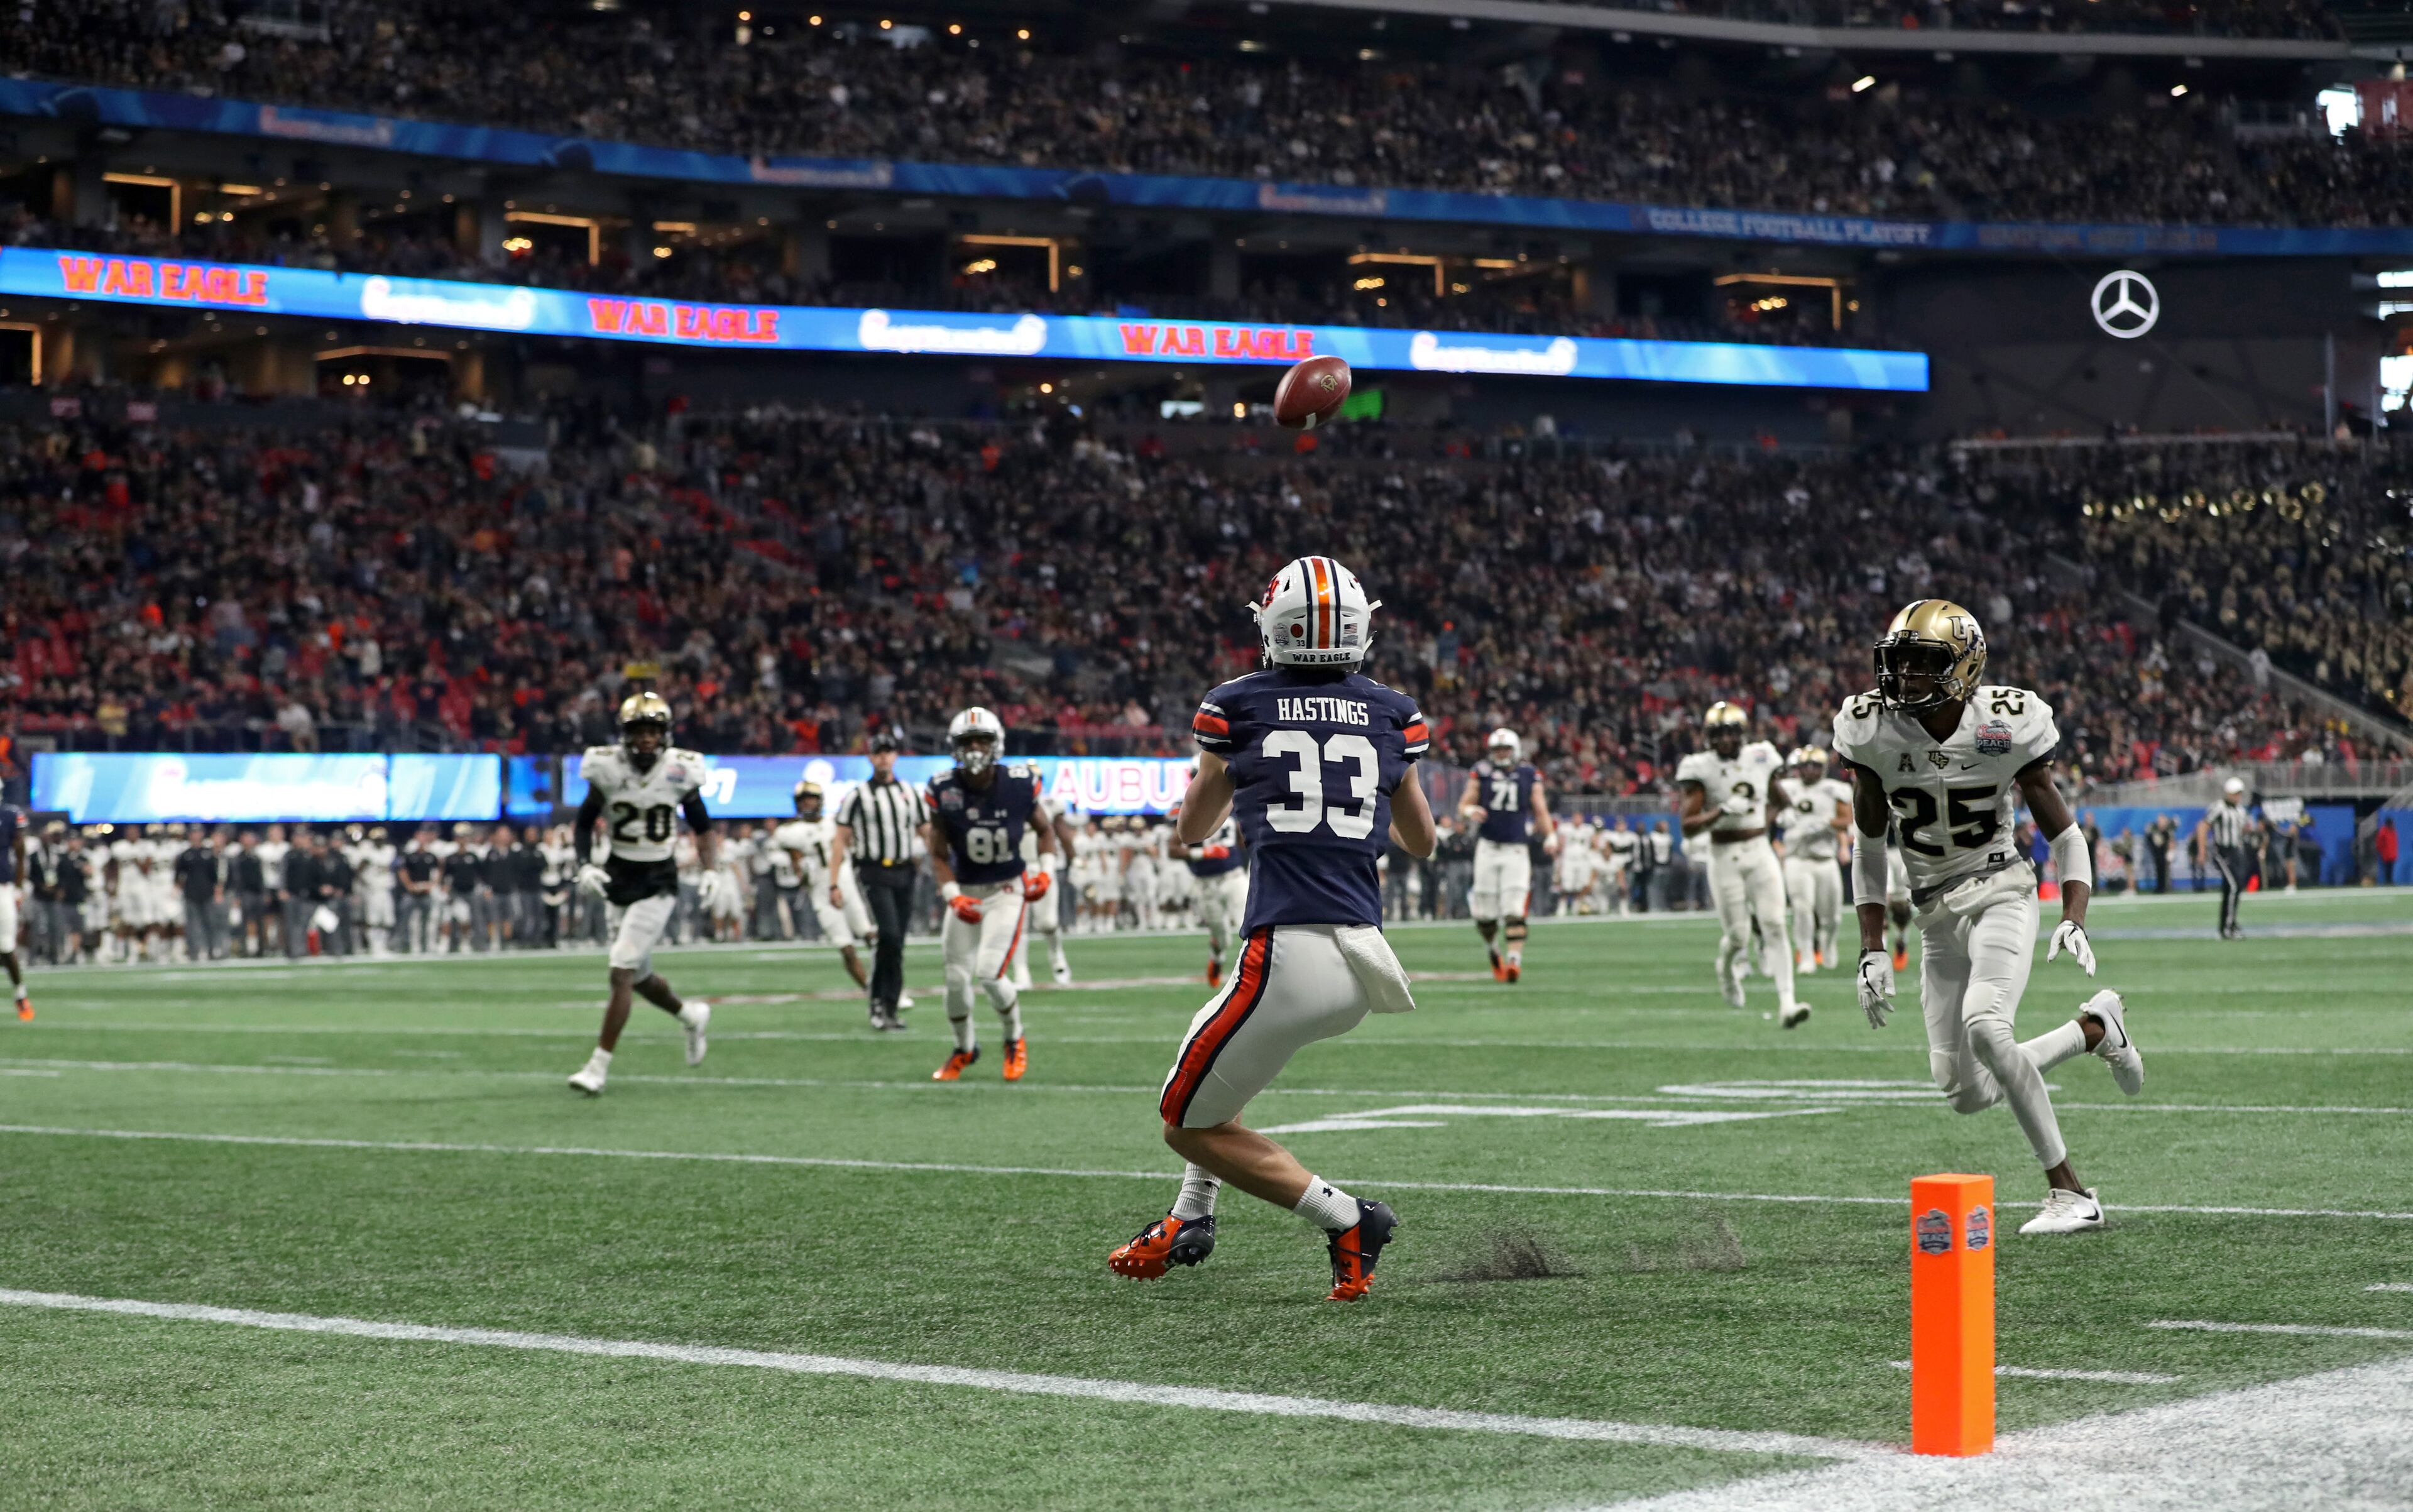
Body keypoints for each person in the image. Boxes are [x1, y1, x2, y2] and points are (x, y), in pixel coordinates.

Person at [1110, 555, 1435, 1301]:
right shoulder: (1393, 712)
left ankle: (1349, 1218)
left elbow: (1194, 829)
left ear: (1274, 628)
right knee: (1217, 1082)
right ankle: (1189, 1215)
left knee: (1183, 1122)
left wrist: (1231, 787)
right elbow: (1421, 842)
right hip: (1361, 958)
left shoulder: (1239, 704)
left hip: (1285, 952)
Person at [1838, 599, 2143, 1235]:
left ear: (1964, 667)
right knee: (1966, 1089)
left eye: (1923, 666)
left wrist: (2075, 914)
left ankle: (2071, 1192)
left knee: (1985, 1023)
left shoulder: (2006, 723)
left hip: (2000, 889)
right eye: (1898, 665)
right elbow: (1868, 848)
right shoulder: (1871, 729)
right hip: (1931, 915)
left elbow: (2065, 836)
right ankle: (2092, 1030)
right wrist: (1870, 947)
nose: (1905, 680)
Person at [565, 692, 722, 1095]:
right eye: (640, 731)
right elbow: (583, 823)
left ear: (665, 734)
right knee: (640, 976)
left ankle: (597, 1067)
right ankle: (690, 1016)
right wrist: (584, 863)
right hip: (619, 876)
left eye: (654, 731)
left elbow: (702, 825)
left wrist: (711, 869)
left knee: (621, 969)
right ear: (625, 734)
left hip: (658, 879)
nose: (647, 739)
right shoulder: (607, 768)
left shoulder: (679, 771)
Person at [921, 707, 1056, 1081]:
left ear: (997, 744)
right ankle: (964, 1047)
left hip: (1006, 890)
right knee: (954, 978)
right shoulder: (942, 788)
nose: (976, 747)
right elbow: (937, 851)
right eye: (968, 741)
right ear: (954, 746)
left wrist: (1045, 871)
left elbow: (1045, 830)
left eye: (983, 740)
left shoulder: (1018, 782)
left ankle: (1014, 1038)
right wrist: (952, 895)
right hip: (966, 890)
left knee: (990, 973)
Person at [1677, 703, 1806, 1027]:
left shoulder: (1760, 756)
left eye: (1730, 734)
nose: (1724, 741)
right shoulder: (1699, 767)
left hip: (1759, 849)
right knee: (1738, 936)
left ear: (1742, 735)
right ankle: (1726, 972)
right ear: (1708, 737)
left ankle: (1787, 1002)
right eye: (1718, 735)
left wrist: (1768, 821)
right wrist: (1721, 812)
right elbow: (1689, 825)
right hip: (1723, 855)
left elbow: (1780, 799)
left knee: (1775, 924)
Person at [832, 730, 929, 1032]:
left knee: (897, 942)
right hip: (874, 870)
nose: (884, 757)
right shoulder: (858, 796)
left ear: (896, 756)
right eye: (878, 753)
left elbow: (927, 831)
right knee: (887, 935)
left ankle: (889, 1005)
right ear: (870, 758)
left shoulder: (910, 793)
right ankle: (878, 1002)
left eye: (888, 752)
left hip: (904, 870)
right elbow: (840, 840)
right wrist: (834, 882)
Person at [1457, 728, 1557, 982]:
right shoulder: (1481, 771)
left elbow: (1540, 809)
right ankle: (1493, 951)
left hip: (1515, 848)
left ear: (1515, 751)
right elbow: (1464, 804)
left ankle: (1514, 961)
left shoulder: (1528, 774)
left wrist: (1550, 835)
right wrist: (1470, 812)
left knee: (1514, 909)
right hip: (1488, 847)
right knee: (1485, 915)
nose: (1501, 754)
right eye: (1497, 749)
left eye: (1505, 749)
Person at [774, 779, 873, 1002]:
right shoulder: (790, 832)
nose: (807, 804)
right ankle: (871, 990)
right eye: (803, 800)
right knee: (845, 947)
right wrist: (803, 872)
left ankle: (888, 986)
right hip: (820, 890)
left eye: (811, 799)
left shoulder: (836, 822)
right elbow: (797, 868)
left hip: (846, 883)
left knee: (869, 935)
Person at [1171, 769, 1250, 985]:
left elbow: (1244, 839)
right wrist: (1202, 853)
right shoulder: (1188, 806)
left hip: (1234, 876)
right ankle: (1217, 957)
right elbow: (1173, 848)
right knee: (1222, 934)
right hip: (1206, 883)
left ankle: (1251, 975)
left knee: (1250, 923)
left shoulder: (1235, 802)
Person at [1778, 746, 1852, 973]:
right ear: (1798, 768)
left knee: (1832, 916)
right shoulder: (1787, 789)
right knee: (1802, 909)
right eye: (1805, 766)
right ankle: (1807, 955)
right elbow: (1770, 811)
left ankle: (1828, 943)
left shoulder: (1834, 789)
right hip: (1797, 858)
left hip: (1824, 858)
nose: (1810, 770)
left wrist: (1825, 824)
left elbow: (1847, 819)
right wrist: (1781, 815)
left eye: (1815, 766)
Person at [1010, 796, 1076, 989]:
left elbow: (1061, 833)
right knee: (1018, 924)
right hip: (1015, 870)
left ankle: (1057, 957)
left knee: (1048, 923)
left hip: (1042, 867)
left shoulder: (1049, 805)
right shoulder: (1004, 801)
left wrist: (1074, 860)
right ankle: (1021, 973)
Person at [2197, 777, 2255, 940]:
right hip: (2222, 851)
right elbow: (2203, 826)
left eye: (2239, 794)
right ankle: (2228, 926)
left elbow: (2243, 831)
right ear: (2228, 793)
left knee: (2232, 888)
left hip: (2236, 851)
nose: (2237, 797)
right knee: (2234, 886)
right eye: (2235, 794)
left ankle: (2229, 924)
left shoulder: (2240, 810)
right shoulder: (2219, 807)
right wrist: (2202, 852)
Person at [0, 796, 30, 1016]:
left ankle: (20, 993)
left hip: (3, 887)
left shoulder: (9, 814)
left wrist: (19, 888)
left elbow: (20, 851)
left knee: (6, 946)